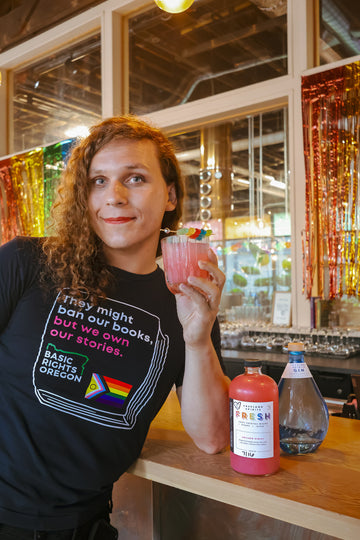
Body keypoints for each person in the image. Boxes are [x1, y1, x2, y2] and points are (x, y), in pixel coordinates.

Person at [0, 115, 229, 539]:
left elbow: (213, 438)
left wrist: (197, 341)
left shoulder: (183, 302)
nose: (115, 197)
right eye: (98, 181)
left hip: (82, 526)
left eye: (136, 178)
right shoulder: (28, 262)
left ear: (171, 195)